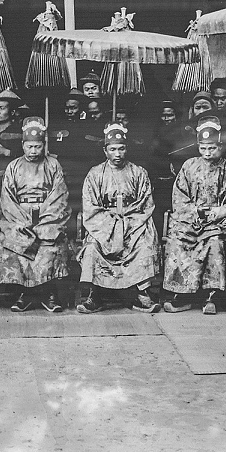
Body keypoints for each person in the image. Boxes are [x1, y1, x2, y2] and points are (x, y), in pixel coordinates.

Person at [0, 118, 72, 313]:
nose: (33, 151)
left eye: (38, 146)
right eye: (29, 146)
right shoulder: (14, 167)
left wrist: (43, 222)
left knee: (49, 245)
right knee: (13, 244)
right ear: (23, 145)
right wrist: (22, 222)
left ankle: (49, 293)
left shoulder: (53, 165)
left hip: (47, 217)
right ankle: (23, 293)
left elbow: (59, 197)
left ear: (44, 145)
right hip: (18, 218)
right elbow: (7, 200)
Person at [162, 116, 226, 314]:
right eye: (203, 148)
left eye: (212, 148)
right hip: (192, 219)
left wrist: (221, 211)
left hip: (219, 222)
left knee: (214, 241)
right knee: (179, 239)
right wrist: (194, 211)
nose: (207, 153)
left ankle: (212, 294)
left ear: (221, 145)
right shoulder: (189, 166)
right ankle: (183, 294)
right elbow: (179, 197)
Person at [77, 123, 160, 314]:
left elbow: (145, 205)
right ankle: (94, 294)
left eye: (121, 149)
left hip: (134, 224)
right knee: (92, 247)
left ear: (127, 149)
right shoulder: (95, 174)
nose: (117, 154)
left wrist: (127, 225)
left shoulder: (139, 173)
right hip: (104, 225)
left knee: (145, 244)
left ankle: (142, 293)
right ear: (105, 150)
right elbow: (90, 208)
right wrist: (113, 226)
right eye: (112, 149)